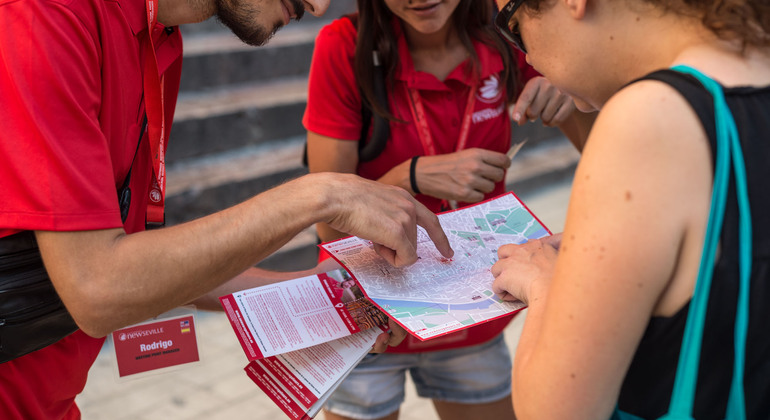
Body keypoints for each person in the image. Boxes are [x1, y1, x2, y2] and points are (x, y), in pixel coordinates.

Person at [0, 0, 456, 418]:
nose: (317, 6)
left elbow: (138, 257)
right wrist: (319, 195)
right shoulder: (46, 14)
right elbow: (98, 288)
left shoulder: (159, 38)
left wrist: (320, 291)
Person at [303, 1, 592, 419]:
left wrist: (574, 89)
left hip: (474, 307)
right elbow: (328, 225)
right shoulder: (344, 46)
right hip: (374, 315)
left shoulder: (511, 32)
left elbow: (600, 149)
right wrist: (408, 178)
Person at [489, 0, 770, 418]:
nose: (526, 56)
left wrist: (549, 285)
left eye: (511, 24)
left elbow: (557, 412)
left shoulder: (650, 117)